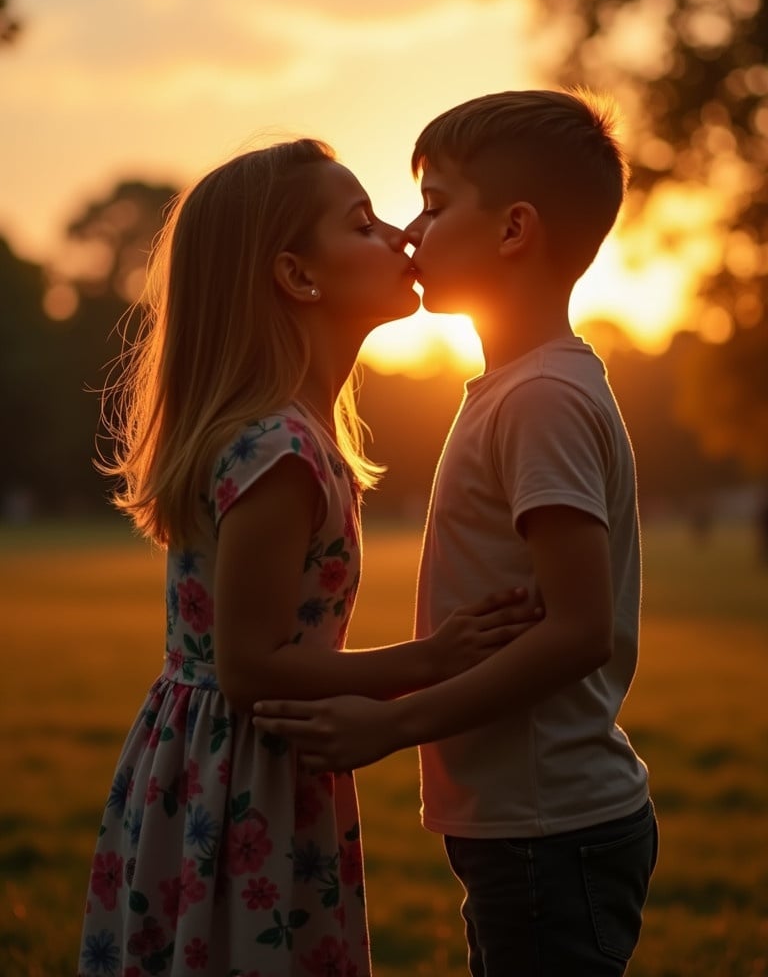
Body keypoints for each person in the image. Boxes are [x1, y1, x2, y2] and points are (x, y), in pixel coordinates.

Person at [78, 138, 536, 977]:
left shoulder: (295, 437)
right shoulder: (278, 453)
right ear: (297, 277)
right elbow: (250, 668)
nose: (401, 235)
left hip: (234, 762)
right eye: (362, 224)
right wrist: (429, 659)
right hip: (244, 777)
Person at [253, 90, 659, 976]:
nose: (409, 232)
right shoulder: (521, 388)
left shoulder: (542, 399)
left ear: (514, 231)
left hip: (552, 826)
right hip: (529, 822)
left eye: (434, 207)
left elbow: (580, 629)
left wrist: (396, 726)